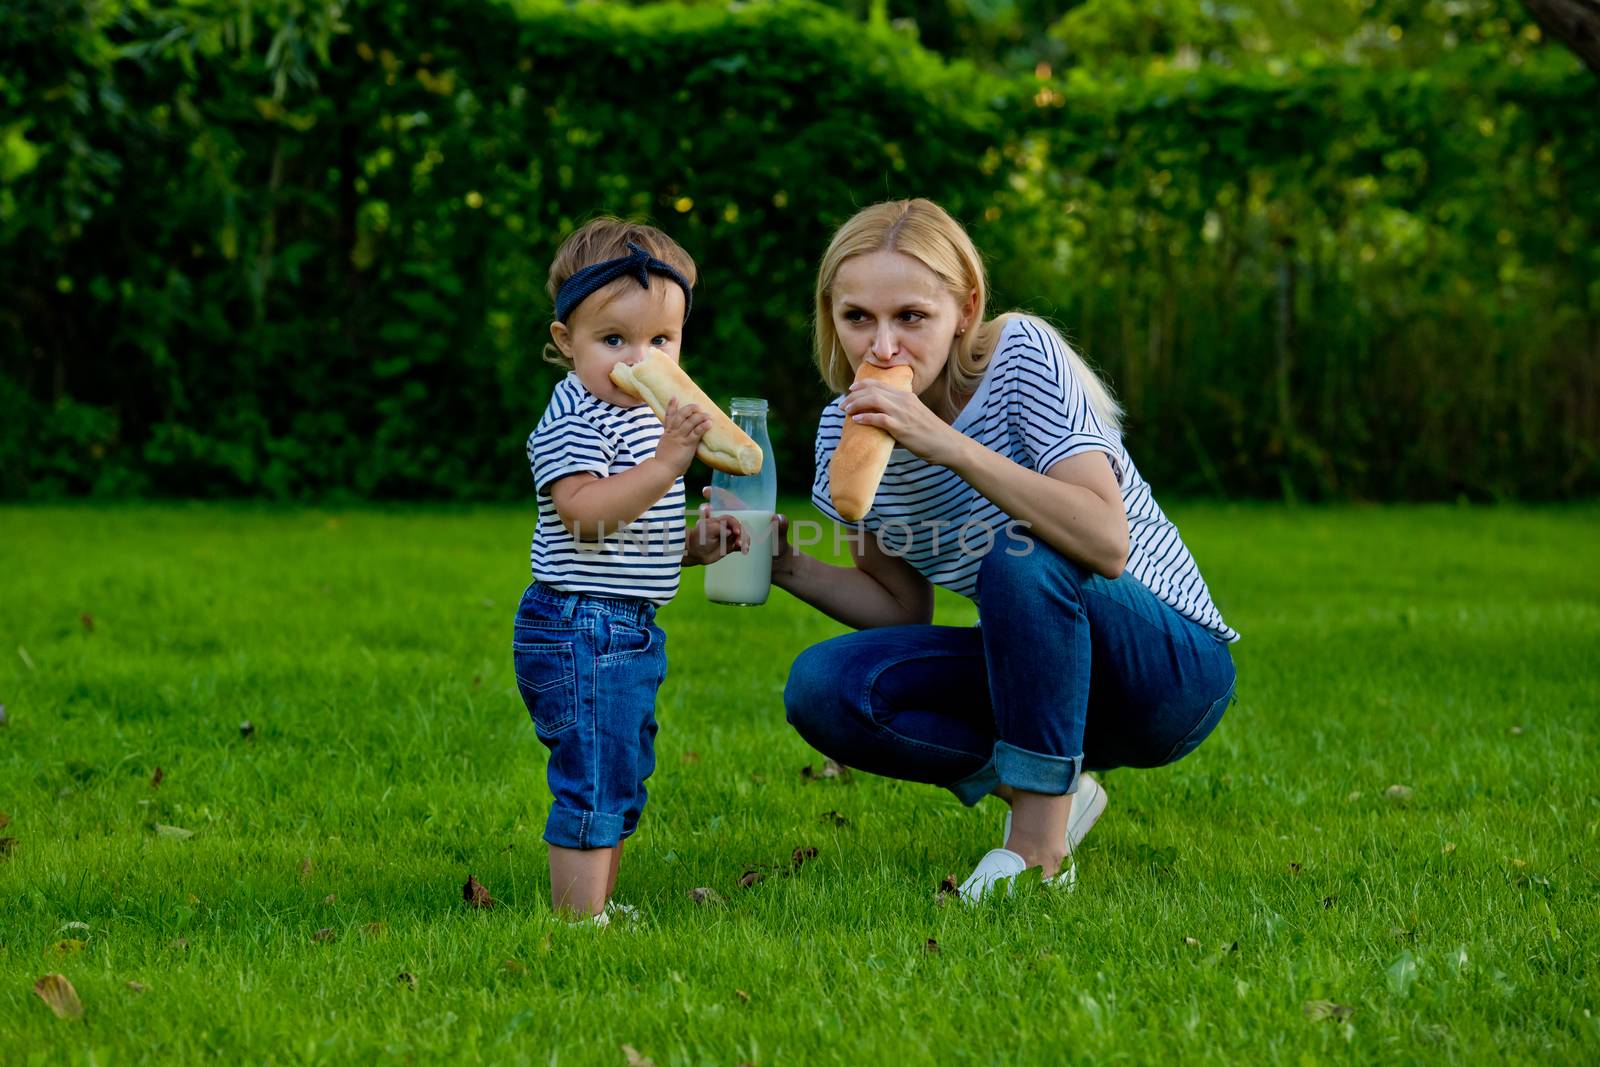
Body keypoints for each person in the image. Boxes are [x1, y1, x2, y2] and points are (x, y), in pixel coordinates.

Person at [773, 199, 1239, 902]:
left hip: (1167, 669)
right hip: (1040, 678)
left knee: (1019, 553)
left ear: (965, 309)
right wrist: (786, 564)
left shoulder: (1021, 355)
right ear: (830, 317)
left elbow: (1104, 541)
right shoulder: (846, 431)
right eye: (858, 317)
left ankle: (1037, 851)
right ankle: (1061, 788)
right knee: (826, 687)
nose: (883, 347)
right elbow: (902, 607)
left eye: (911, 316)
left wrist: (947, 445)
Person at [513, 218, 746, 924]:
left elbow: (630, 531)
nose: (637, 358)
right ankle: (579, 920)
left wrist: (694, 544)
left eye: (661, 341)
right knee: (593, 769)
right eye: (613, 340)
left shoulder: (649, 421)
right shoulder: (574, 414)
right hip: (579, 623)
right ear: (566, 342)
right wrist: (670, 464)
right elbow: (585, 513)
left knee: (622, 767)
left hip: (628, 624)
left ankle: (599, 902)